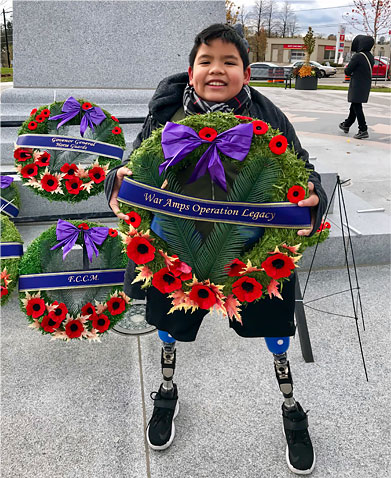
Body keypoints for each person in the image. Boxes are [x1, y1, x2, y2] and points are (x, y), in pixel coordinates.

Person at [106, 24, 327, 475]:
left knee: (273, 332)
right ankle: (167, 391)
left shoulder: (268, 118)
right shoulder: (165, 114)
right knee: (171, 330)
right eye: (207, 61)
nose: (217, 70)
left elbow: (303, 170)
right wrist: (120, 183)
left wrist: (311, 198)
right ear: (191, 71)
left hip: (252, 253)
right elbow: (135, 162)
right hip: (177, 251)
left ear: (246, 73)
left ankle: (291, 407)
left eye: (229, 62)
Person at [339, 35, 374, 139]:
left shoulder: (358, 56)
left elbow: (347, 71)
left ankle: (363, 129)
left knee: (357, 106)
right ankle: (347, 124)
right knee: (354, 105)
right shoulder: (370, 56)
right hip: (365, 84)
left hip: (357, 85)